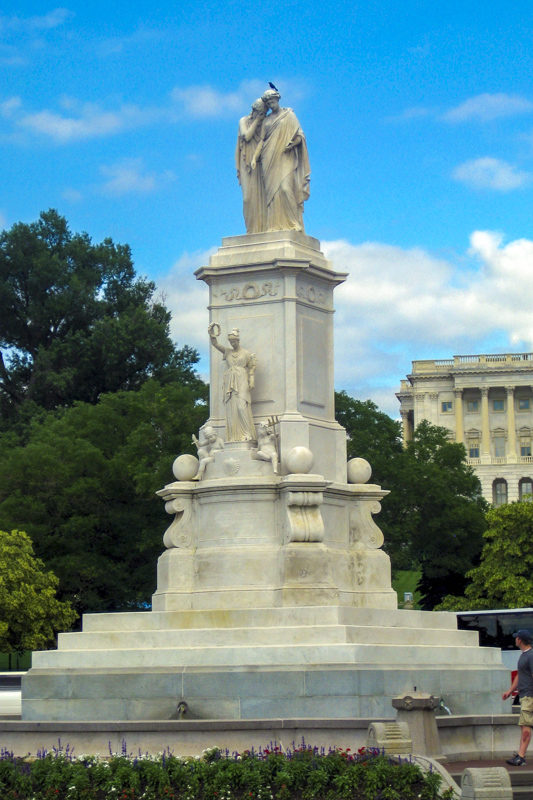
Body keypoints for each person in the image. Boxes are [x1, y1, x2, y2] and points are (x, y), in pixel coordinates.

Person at [259, 87, 310, 233]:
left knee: (285, 188)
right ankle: (273, 225)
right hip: (268, 157)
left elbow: (300, 136)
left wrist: (291, 144)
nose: (271, 104)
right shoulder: (266, 120)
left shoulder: (289, 115)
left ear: (277, 99)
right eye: (268, 103)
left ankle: (294, 223)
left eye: (272, 101)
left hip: (286, 157)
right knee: (272, 194)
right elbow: (261, 140)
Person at [208, 325, 257, 442]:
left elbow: (252, 367)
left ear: (238, 341)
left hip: (241, 379)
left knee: (241, 406)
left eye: (234, 341)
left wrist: (252, 379)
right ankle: (234, 435)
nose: (232, 344)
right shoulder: (228, 352)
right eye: (230, 342)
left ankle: (247, 433)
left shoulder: (246, 354)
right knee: (231, 408)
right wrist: (212, 335)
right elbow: (215, 344)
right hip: (230, 380)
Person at [235, 98, 267, 233]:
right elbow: (246, 136)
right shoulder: (243, 121)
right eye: (259, 112)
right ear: (254, 110)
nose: (261, 115)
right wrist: (257, 122)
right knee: (248, 198)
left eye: (263, 113)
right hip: (245, 161)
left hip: (259, 162)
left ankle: (261, 229)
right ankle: (250, 229)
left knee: (261, 197)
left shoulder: (264, 124)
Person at [503, 629, 533, 766]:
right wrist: (510, 691)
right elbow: (520, 676)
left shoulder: (530, 656)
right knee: (525, 725)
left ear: (520, 640)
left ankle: (521, 757)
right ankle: (520, 755)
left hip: (529, 696)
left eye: (516, 638)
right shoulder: (523, 656)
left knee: (525, 726)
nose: (515, 639)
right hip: (526, 695)